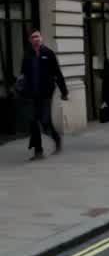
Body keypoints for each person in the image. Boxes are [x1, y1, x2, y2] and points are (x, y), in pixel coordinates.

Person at [19, 30, 69, 160]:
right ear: (30, 40)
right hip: (32, 94)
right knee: (33, 122)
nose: (36, 39)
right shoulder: (27, 55)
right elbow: (23, 74)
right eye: (33, 37)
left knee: (45, 121)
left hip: (46, 94)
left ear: (41, 38)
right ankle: (38, 151)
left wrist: (64, 91)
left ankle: (57, 139)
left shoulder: (48, 53)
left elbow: (57, 73)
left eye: (38, 36)